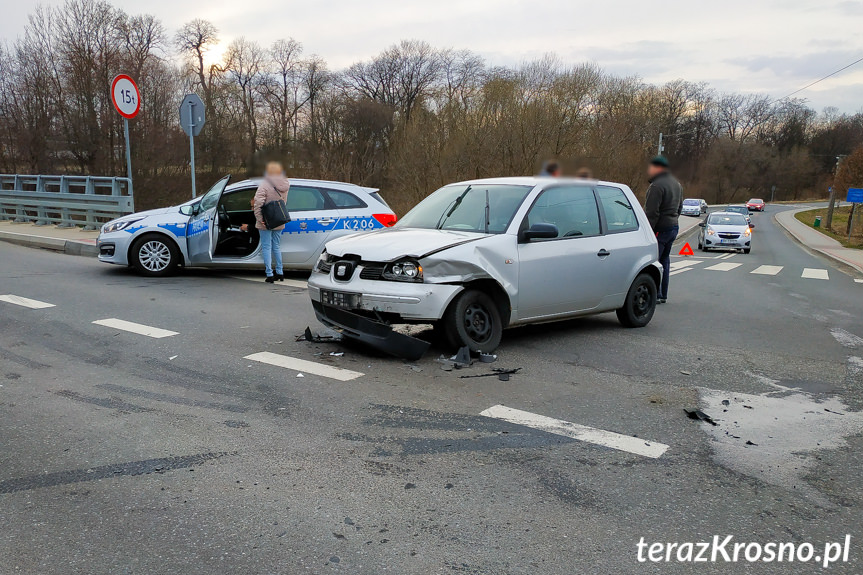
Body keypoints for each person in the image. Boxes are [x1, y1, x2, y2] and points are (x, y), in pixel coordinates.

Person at [643, 155, 682, 304]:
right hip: (673, 227)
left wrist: (648, 232)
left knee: (654, 262)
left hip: (660, 228)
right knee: (665, 260)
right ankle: (663, 294)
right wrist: (673, 220)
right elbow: (680, 207)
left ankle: (656, 294)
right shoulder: (677, 184)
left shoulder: (656, 186)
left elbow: (652, 213)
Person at [253, 162, 290, 283]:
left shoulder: (264, 184)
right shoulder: (285, 183)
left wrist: (260, 219)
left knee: (266, 247)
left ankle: (269, 274)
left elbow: (258, 203)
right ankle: (280, 272)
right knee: (276, 246)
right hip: (279, 219)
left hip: (266, 220)